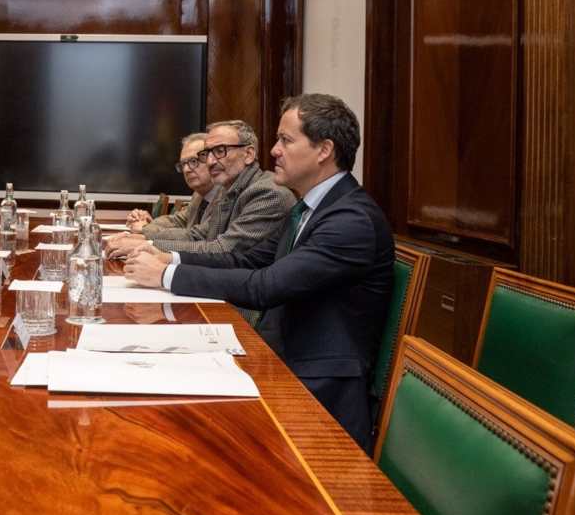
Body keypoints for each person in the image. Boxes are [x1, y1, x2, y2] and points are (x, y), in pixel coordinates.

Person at [124, 94, 393, 450]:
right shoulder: (309, 208)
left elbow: (266, 286)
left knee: (183, 433)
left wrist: (164, 277)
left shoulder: (350, 220)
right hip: (276, 355)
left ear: (324, 150)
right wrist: (168, 259)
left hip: (315, 388)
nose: (274, 151)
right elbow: (245, 259)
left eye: (286, 140)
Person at [106, 120, 293, 257]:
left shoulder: (268, 193)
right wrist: (145, 240)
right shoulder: (228, 189)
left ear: (248, 154)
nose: (211, 161)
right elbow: (200, 236)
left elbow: (222, 249)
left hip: (240, 305)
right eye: (207, 153)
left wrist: (148, 244)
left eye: (220, 151)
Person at [123, 132, 218, 239]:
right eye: (183, 164)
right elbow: (177, 221)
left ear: (212, 160)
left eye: (193, 161)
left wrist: (144, 228)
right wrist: (148, 222)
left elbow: (197, 236)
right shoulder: (199, 195)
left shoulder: (226, 196)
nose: (186, 170)